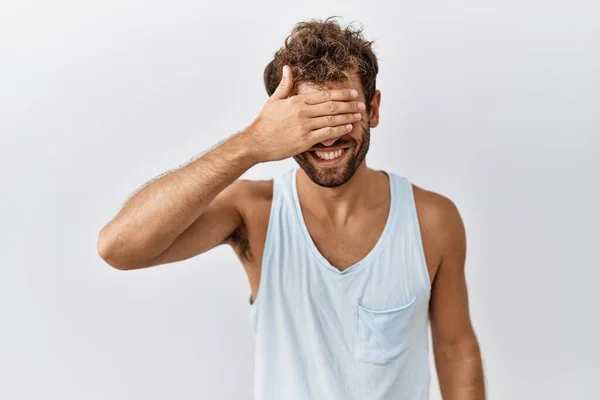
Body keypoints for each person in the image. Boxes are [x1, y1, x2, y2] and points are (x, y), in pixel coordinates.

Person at [97, 17, 485, 400]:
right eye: (309, 118)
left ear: (374, 109)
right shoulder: (254, 213)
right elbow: (119, 247)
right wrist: (251, 143)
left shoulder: (431, 220)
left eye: (341, 113)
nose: (328, 134)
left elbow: (455, 350)